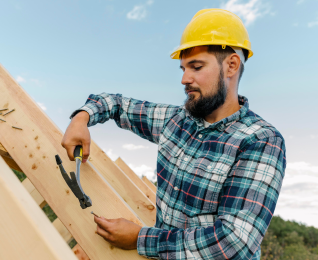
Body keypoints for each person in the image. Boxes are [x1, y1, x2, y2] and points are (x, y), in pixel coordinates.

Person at [61, 9, 286, 260]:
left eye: (196, 67)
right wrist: (82, 117)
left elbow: (233, 242)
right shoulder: (177, 120)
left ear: (231, 65)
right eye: (183, 68)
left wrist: (140, 238)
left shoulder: (260, 141)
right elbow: (115, 103)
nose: (184, 78)